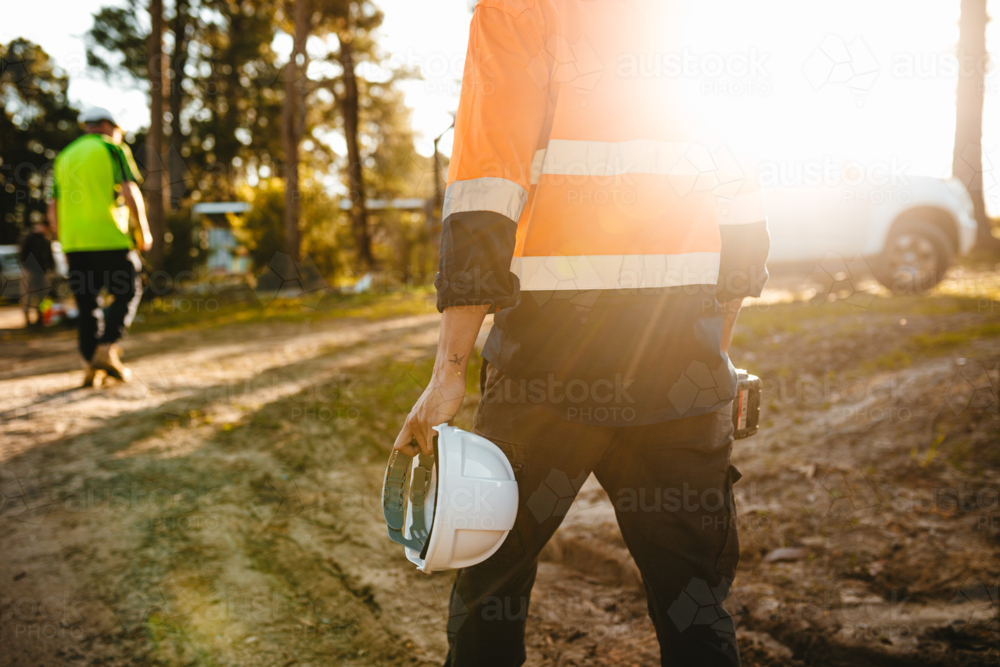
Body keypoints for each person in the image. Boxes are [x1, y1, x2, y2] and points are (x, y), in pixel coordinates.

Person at [393, 2, 770, 665]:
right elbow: (741, 205)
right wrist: (717, 349)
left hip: (548, 364)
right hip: (678, 359)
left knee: (492, 590)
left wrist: (448, 370)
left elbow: (485, 188)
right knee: (697, 608)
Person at [47, 107, 152, 387]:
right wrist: (144, 230)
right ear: (108, 126)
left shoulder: (64, 156)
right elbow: (130, 190)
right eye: (118, 132)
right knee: (128, 290)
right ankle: (106, 349)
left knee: (87, 304)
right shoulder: (112, 149)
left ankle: (89, 367)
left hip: (74, 244)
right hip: (110, 238)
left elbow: (52, 206)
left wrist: (63, 241)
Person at [19, 219, 55, 327]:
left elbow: (50, 256)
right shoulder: (29, 237)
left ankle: (40, 318)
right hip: (30, 271)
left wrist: (51, 267)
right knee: (27, 295)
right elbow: (22, 254)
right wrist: (27, 267)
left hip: (42, 271)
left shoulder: (46, 239)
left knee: (42, 295)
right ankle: (27, 319)